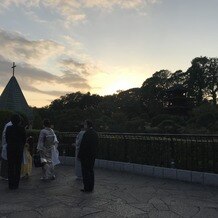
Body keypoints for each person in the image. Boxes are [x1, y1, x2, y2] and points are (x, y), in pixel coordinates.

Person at [6, 114, 26, 189]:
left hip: (10, 148)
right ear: (19, 121)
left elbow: (7, 138)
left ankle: (10, 184)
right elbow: (24, 139)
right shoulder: (22, 129)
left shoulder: (8, 128)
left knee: (10, 166)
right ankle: (16, 184)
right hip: (19, 149)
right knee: (18, 166)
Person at [78, 120, 99, 193]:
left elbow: (83, 146)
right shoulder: (95, 133)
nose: (84, 126)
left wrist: (79, 155)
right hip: (92, 155)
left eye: (85, 124)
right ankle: (91, 187)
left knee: (85, 172)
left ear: (87, 125)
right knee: (91, 171)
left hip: (85, 156)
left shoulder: (86, 134)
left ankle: (87, 187)